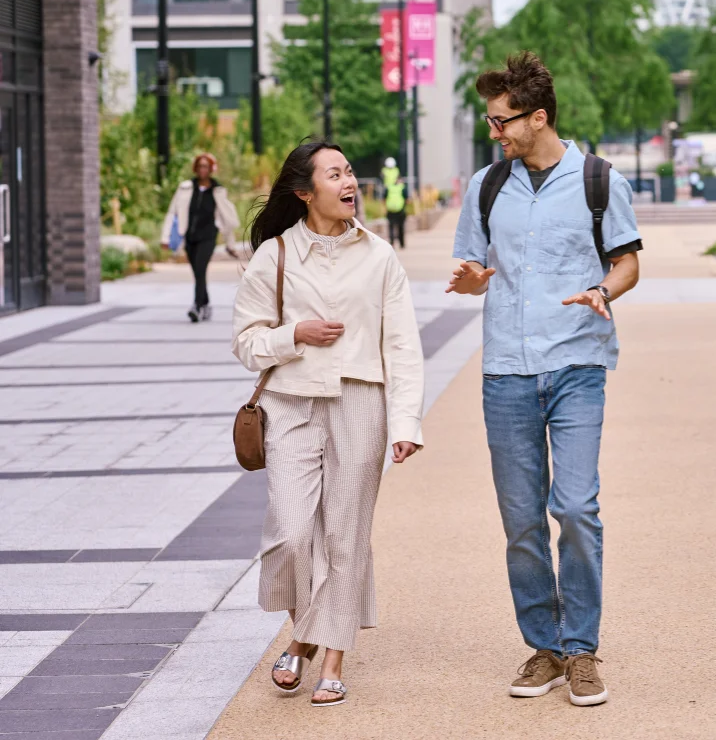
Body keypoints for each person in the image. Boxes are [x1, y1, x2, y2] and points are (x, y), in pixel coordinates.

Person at [448, 52, 641, 707]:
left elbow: (627, 262)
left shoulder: (598, 181)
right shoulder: (486, 186)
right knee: (522, 520)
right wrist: (473, 281)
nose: (494, 133)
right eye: (490, 123)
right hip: (505, 371)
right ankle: (547, 648)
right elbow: (472, 267)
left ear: (537, 117)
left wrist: (602, 290)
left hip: (577, 366)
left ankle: (583, 650)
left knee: (576, 507)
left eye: (502, 122)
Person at [232, 140, 424, 708]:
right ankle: (305, 634)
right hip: (290, 403)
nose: (349, 183)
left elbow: (403, 346)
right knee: (291, 534)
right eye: (334, 174)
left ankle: (327, 656)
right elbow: (245, 343)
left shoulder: (381, 256)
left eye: (349, 173)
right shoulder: (275, 256)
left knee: (345, 532)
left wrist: (405, 421)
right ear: (304, 190)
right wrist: (296, 335)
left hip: (361, 403)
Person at [160, 153, 240, 322]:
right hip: (189, 237)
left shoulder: (218, 191)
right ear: (195, 168)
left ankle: (196, 306)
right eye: (200, 166)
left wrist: (230, 244)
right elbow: (172, 212)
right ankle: (206, 304)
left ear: (211, 169)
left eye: (206, 166)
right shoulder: (186, 188)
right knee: (198, 273)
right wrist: (165, 237)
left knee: (201, 269)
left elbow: (226, 219)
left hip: (208, 236)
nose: (202, 169)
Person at [381, 156, 407, 249]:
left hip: (390, 207)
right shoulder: (401, 186)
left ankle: (392, 242)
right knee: (401, 227)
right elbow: (406, 198)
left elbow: (383, 198)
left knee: (391, 226)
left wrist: (384, 206)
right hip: (400, 208)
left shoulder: (384, 171)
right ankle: (402, 243)